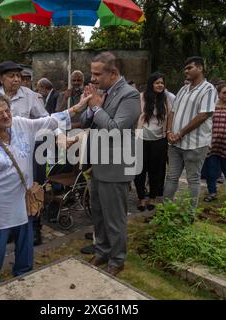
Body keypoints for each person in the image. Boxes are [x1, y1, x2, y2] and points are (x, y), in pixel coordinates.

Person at [0, 91, 90, 288]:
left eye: (7, 110)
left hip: (21, 198)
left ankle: (23, 274)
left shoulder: (21, 124)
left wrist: (77, 107)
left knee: (25, 239)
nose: (6, 116)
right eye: (0, 114)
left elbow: (50, 121)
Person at [0, 61, 49, 246]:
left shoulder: (30, 96)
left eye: (19, 76)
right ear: (1, 78)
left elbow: (45, 119)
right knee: (8, 193)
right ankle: (8, 229)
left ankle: (34, 228)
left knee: (32, 189)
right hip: (2, 156)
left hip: (27, 152)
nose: (16, 79)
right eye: (12, 76)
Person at [81, 52, 141, 276]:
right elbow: (87, 121)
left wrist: (96, 108)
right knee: (97, 213)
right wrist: (89, 106)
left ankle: (117, 260)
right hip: (97, 164)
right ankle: (102, 250)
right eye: (92, 73)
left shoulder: (130, 95)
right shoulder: (101, 92)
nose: (93, 78)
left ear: (113, 73)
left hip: (116, 167)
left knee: (114, 218)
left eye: (97, 74)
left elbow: (116, 130)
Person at [164, 56, 217, 209]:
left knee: (193, 179)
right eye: (185, 69)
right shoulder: (183, 89)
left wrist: (180, 133)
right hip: (174, 143)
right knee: (171, 177)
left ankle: (189, 214)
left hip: (195, 143)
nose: (185, 71)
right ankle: (164, 211)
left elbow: (204, 115)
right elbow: (172, 112)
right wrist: (169, 131)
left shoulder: (208, 89)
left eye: (189, 68)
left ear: (200, 68)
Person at [134, 72, 170, 211]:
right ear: (151, 84)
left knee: (156, 170)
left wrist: (167, 133)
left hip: (159, 139)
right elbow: (137, 116)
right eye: (157, 83)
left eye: (162, 83)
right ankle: (141, 198)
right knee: (140, 170)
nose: (160, 85)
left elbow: (169, 115)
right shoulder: (141, 97)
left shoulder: (165, 98)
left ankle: (153, 197)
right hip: (142, 138)